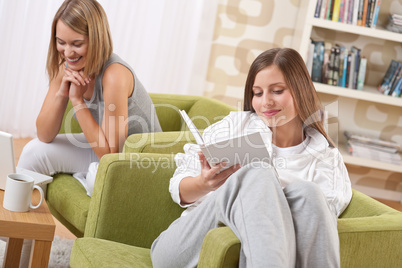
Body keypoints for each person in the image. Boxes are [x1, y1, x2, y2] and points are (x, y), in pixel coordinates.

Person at [150, 48, 352, 268]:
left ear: (301, 90)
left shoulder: (325, 157)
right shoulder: (237, 125)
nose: (265, 102)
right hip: (184, 245)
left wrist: (264, 198)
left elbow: (317, 227)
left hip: (263, 252)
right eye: (257, 93)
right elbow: (178, 185)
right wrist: (204, 183)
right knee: (257, 173)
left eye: (276, 91)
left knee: (309, 193)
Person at [13, 0, 161, 266]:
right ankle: (19, 249)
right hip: (102, 150)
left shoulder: (114, 74)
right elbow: (44, 134)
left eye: (76, 43)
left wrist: (78, 102)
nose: (67, 51)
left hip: (133, 163)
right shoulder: (67, 66)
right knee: (34, 151)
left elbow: (111, 154)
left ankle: (85, 179)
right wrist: (61, 92)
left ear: (97, 38)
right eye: (61, 42)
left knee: (97, 174)